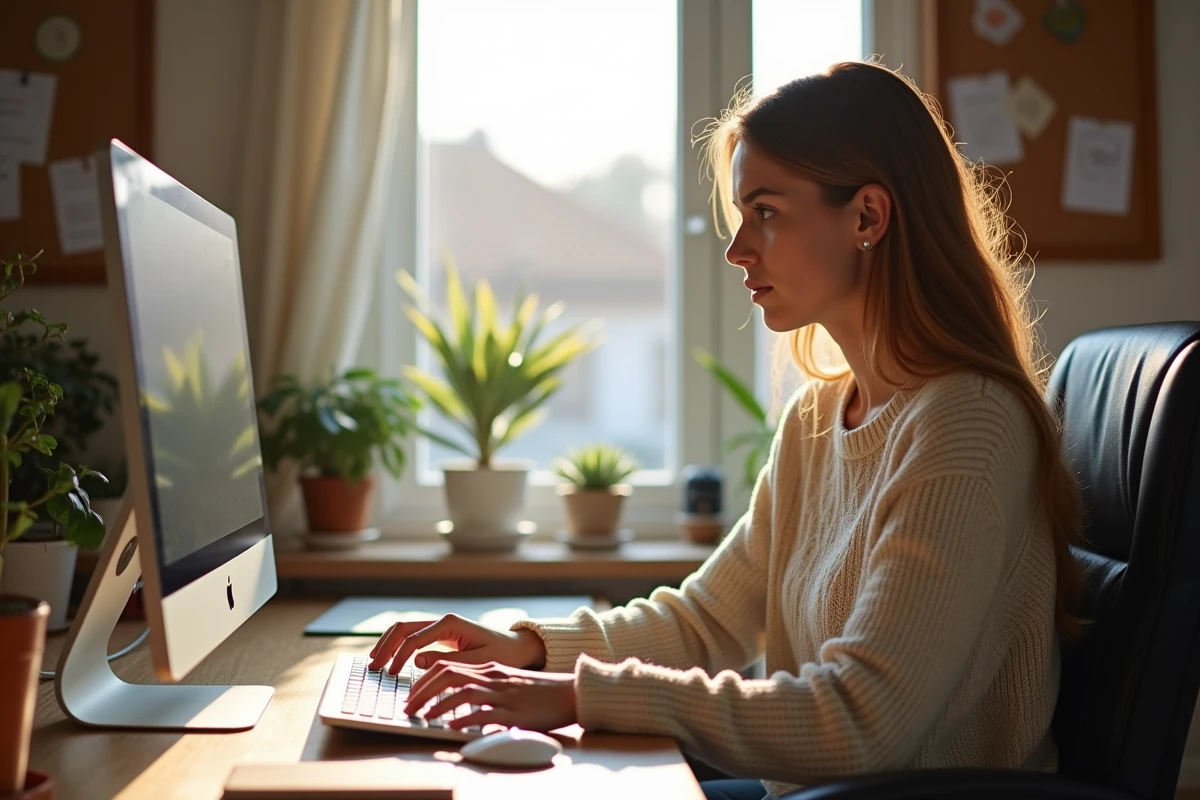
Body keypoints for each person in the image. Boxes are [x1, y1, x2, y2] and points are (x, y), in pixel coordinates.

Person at [368, 61, 1086, 800]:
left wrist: (580, 696)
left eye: (767, 212)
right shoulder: (818, 418)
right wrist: (530, 649)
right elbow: (709, 621)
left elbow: (863, 719)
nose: (739, 249)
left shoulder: (966, 425)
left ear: (868, 217)